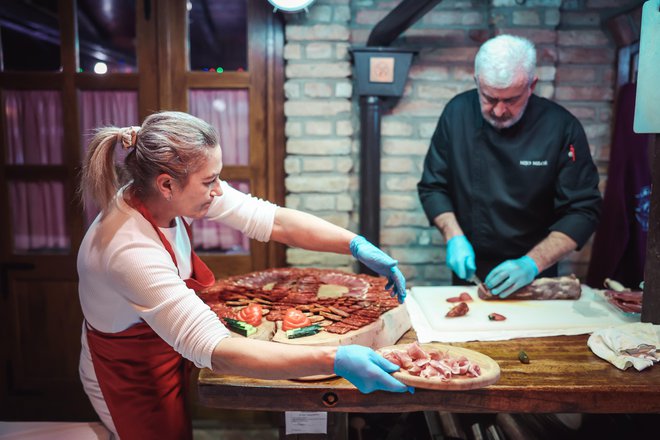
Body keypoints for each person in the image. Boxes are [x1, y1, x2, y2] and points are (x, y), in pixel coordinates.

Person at [77, 111, 411, 439]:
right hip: (127, 373)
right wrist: (335, 359)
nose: (219, 190)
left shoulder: (166, 196)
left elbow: (273, 220)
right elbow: (216, 349)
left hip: (165, 348)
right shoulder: (129, 250)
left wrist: (354, 243)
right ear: (166, 184)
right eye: (210, 181)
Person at [417, 34, 601, 297]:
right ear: (477, 82)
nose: (499, 111)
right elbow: (433, 187)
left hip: (536, 272)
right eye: (489, 98)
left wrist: (531, 263)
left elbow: (583, 210)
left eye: (511, 100)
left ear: (532, 85)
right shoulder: (456, 113)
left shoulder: (561, 127)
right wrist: (453, 236)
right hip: (471, 271)